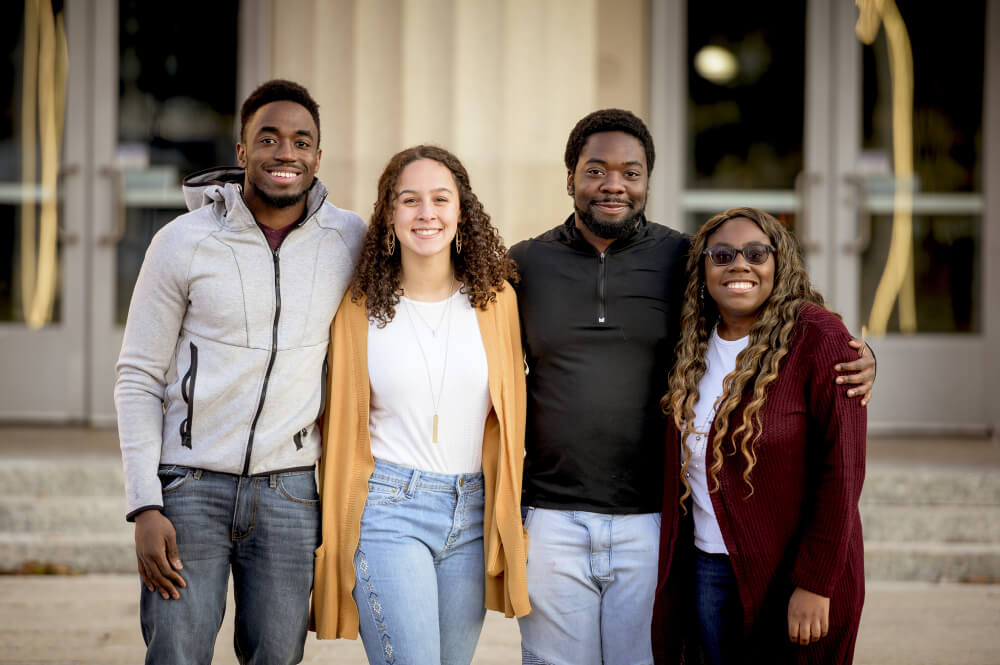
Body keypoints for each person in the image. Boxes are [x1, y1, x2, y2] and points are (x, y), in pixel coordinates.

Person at [508, 109, 875, 665]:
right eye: (595, 170)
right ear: (570, 178)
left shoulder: (685, 258)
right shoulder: (524, 264)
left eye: (630, 172)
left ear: (648, 180)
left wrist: (864, 357)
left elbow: (780, 313)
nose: (613, 184)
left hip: (652, 521)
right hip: (552, 516)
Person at [114, 79, 366, 664]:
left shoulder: (348, 239)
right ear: (242, 151)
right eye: (269, 139)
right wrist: (145, 503)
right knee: (176, 652)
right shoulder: (182, 242)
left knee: (277, 657)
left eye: (301, 141)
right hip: (190, 490)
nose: (286, 153)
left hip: (290, 492)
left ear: (318, 157)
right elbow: (138, 377)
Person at [310, 145, 531, 664]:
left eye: (440, 199)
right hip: (388, 511)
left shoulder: (496, 301)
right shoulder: (357, 308)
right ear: (389, 214)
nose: (426, 213)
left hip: (472, 512)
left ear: (462, 212)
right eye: (409, 200)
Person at [653, 207, 866, 664]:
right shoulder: (691, 343)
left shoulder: (818, 337)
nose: (739, 265)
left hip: (794, 575)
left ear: (779, 262)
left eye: (755, 253)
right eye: (723, 254)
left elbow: (843, 473)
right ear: (703, 268)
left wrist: (815, 582)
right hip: (710, 565)